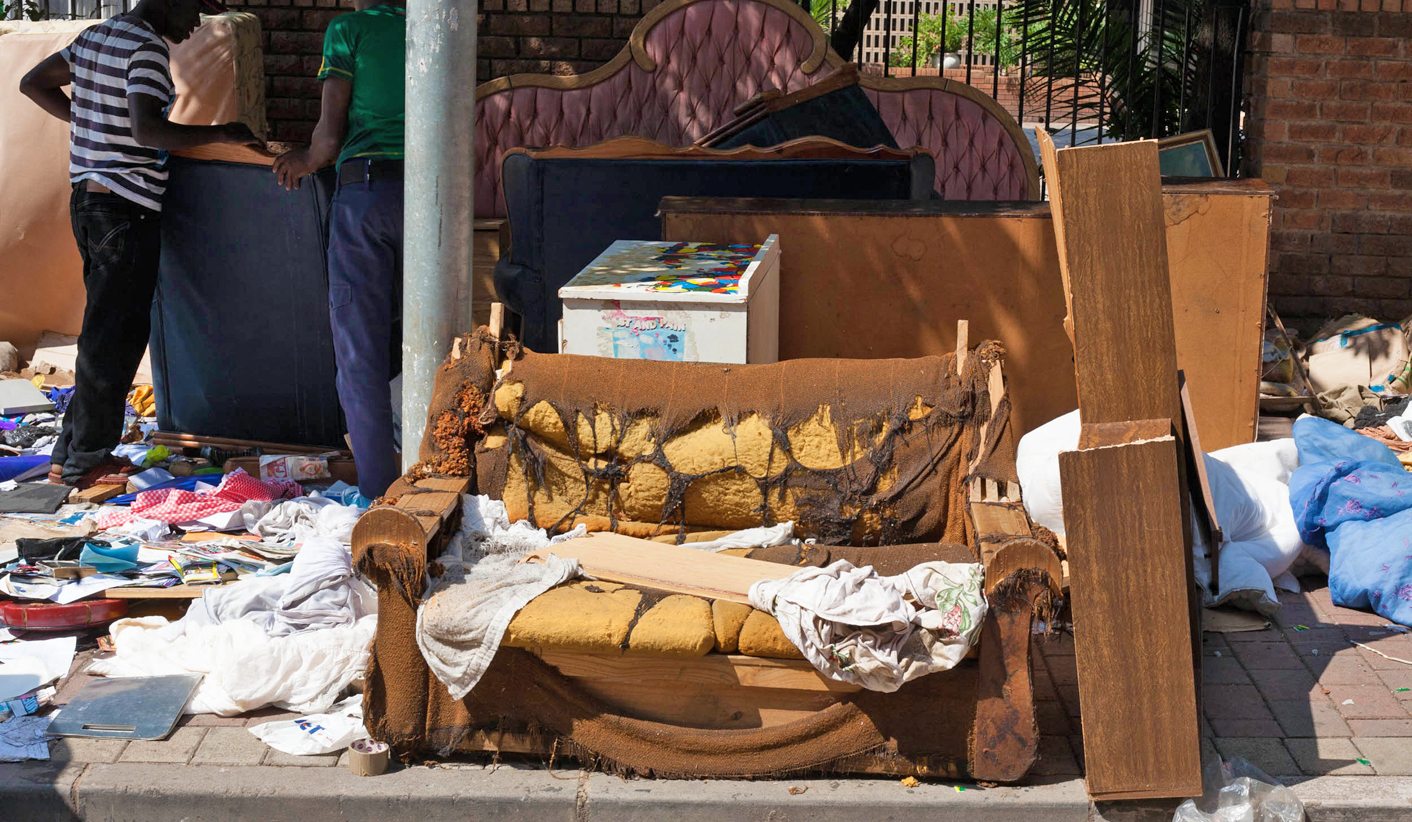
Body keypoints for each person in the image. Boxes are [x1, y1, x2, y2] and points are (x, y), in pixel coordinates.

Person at [19, 0, 260, 487]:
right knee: (116, 337)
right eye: (194, 8)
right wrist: (223, 133)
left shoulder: (96, 37)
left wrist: (88, 123)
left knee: (101, 331)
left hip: (90, 203)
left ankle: (71, 451)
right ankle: (88, 458)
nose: (195, 24)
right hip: (125, 210)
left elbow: (32, 83)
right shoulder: (147, 49)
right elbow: (147, 129)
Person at [273, 0, 406, 499]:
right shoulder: (432, 32)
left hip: (366, 196)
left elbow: (327, 140)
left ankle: (380, 494)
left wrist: (301, 160)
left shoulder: (347, 30)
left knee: (360, 355)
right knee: (431, 341)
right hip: (430, 199)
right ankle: (439, 475)